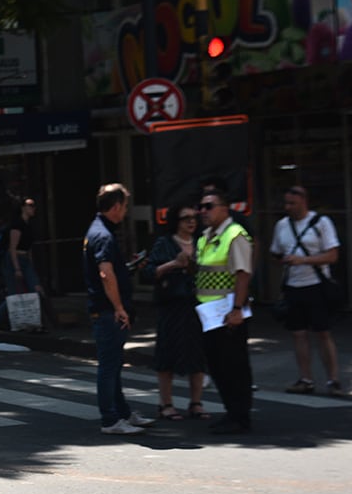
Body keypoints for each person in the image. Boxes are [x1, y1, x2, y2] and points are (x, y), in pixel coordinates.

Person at [83, 183, 156, 435]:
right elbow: (106, 273)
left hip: (105, 309)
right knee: (108, 365)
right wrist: (118, 307)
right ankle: (110, 419)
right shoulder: (103, 234)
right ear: (115, 207)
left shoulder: (98, 230)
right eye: (124, 206)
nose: (125, 211)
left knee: (113, 364)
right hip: (107, 310)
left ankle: (122, 413)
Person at [269, 185, 341, 395]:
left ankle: (333, 380)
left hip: (316, 285)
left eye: (292, 203)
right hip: (293, 286)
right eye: (286, 203)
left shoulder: (321, 223)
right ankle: (305, 378)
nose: (288, 207)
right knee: (298, 334)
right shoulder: (282, 225)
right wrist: (283, 260)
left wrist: (304, 260)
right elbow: (275, 253)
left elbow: (332, 255)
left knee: (323, 333)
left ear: (304, 201)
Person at [196, 189, 255, 434]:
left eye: (209, 206)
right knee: (218, 366)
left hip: (228, 314)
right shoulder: (205, 237)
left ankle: (240, 416)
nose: (203, 211)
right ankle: (231, 412)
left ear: (224, 208)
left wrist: (237, 309)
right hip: (209, 315)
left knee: (234, 367)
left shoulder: (234, 235)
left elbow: (243, 274)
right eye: (201, 206)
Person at [146, 203, 208, 420]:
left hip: (197, 303)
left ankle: (196, 402)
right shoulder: (165, 243)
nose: (191, 221)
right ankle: (166, 403)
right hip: (171, 304)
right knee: (167, 352)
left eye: (193, 217)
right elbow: (149, 272)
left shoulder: (202, 242)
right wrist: (173, 264)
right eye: (185, 218)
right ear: (176, 222)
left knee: (198, 353)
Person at [0, 196, 46, 331]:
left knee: (37, 289)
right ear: (23, 208)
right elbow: (12, 248)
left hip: (25, 259)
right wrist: (17, 268)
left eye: (34, 205)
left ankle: (36, 322)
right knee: (14, 295)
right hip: (14, 260)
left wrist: (30, 265)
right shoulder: (17, 225)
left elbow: (29, 248)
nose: (33, 208)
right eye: (30, 205)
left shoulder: (28, 226)